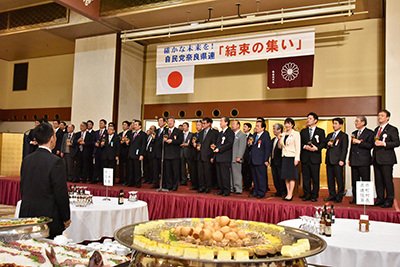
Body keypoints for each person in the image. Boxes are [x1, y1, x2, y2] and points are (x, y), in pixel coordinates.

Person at [20, 122, 71, 239]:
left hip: (27, 215)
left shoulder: (27, 159)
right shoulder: (56, 161)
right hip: (47, 218)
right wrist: (66, 217)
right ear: (52, 138)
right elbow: (60, 192)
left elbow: (23, 187)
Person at [372, 109, 400, 208]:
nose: (379, 117)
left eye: (382, 116)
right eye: (379, 115)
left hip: (387, 159)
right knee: (378, 180)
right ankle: (380, 199)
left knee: (387, 180)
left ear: (387, 118)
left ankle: (389, 200)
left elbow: (397, 143)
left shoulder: (392, 129)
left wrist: (384, 143)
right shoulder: (376, 130)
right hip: (376, 159)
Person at [300, 112, 326, 202]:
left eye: (310, 118)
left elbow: (323, 143)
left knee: (315, 177)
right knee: (306, 177)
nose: (308, 120)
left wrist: (317, 148)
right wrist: (304, 147)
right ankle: (306, 194)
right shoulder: (303, 131)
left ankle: (315, 194)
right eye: (307, 118)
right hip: (305, 157)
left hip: (315, 157)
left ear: (315, 120)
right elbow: (300, 143)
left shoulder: (320, 131)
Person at [348, 116, 374, 204]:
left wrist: (360, 142)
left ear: (363, 122)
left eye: (357, 121)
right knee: (354, 180)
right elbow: (351, 147)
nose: (355, 123)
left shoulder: (370, 133)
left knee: (365, 180)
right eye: (355, 121)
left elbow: (370, 145)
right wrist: (349, 158)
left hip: (364, 160)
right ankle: (355, 198)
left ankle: (365, 199)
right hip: (354, 160)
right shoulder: (354, 133)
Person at [324, 118, 349, 203]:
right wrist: (327, 144)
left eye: (336, 123)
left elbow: (344, 149)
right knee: (330, 179)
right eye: (333, 123)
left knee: (339, 179)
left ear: (341, 125)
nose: (334, 125)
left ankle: (339, 195)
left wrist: (342, 159)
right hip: (329, 160)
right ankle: (332, 194)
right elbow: (324, 145)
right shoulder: (330, 135)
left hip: (338, 160)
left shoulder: (343, 136)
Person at [278, 118, 301, 201]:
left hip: (292, 157)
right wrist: (279, 140)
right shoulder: (283, 134)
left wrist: (297, 158)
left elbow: (297, 147)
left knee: (291, 177)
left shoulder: (296, 134)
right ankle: (288, 193)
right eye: (286, 123)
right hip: (284, 156)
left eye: (289, 123)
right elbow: (280, 147)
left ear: (292, 125)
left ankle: (290, 194)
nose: (287, 125)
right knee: (286, 177)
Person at [249, 120, 272, 199]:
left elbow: (267, 148)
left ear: (263, 128)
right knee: (254, 177)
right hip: (253, 159)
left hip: (261, 159)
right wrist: (250, 144)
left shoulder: (266, 135)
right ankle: (255, 191)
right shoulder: (254, 135)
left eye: (258, 126)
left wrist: (266, 159)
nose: (256, 127)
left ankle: (262, 192)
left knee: (261, 177)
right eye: (256, 125)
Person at [196, 117, 219, 193]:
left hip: (208, 155)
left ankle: (208, 187)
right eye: (202, 123)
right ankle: (201, 186)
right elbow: (198, 142)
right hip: (200, 155)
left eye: (204, 123)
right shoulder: (201, 133)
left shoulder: (214, 133)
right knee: (200, 173)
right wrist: (197, 146)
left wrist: (213, 156)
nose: (203, 125)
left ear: (209, 124)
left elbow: (214, 144)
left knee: (208, 173)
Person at [213, 117, 234, 196]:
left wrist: (219, 149)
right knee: (219, 175)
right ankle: (221, 189)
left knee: (225, 175)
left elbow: (229, 144)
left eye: (221, 121)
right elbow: (218, 143)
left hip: (225, 157)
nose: (220, 123)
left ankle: (226, 190)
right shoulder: (221, 133)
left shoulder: (230, 132)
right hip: (218, 157)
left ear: (226, 123)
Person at [163, 116, 184, 191]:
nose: (169, 122)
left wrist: (172, 141)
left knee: (175, 171)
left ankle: (175, 186)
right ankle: (169, 185)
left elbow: (180, 141)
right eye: (168, 121)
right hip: (166, 154)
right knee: (167, 172)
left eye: (171, 121)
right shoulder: (165, 130)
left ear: (174, 122)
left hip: (175, 155)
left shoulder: (178, 131)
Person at [126, 120, 147, 188]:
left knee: (137, 169)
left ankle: (138, 183)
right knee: (131, 169)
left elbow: (143, 145)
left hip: (138, 154)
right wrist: (127, 143)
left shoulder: (143, 134)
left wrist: (142, 154)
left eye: (136, 125)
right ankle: (131, 182)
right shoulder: (132, 134)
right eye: (134, 125)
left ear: (140, 126)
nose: (134, 126)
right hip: (131, 153)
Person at [230, 119, 246, 194]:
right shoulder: (231, 134)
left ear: (238, 125)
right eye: (232, 124)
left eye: (234, 124)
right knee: (231, 174)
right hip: (230, 157)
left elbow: (242, 147)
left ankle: (238, 188)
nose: (232, 125)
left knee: (237, 174)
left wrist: (239, 156)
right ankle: (232, 187)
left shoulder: (241, 135)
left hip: (236, 157)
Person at [271, 123, 286, 197]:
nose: (273, 130)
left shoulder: (283, 138)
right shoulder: (274, 139)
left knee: (281, 177)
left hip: (280, 161)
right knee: (275, 177)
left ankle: (283, 191)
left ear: (279, 129)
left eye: (274, 129)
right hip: (273, 161)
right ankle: (278, 190)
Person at [151, 117, 167, 189]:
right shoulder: (156, 131)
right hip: (155, 152)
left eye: (161, 121)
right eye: (158, 121)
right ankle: (156, 183)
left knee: (163, 169)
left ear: (164, 122)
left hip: (162, 153)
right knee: (155, 169)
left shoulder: (166, 130)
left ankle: (163, 184)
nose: (159, 122)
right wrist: (153, 139)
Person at [92, 119, 108, 184]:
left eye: (102, 123)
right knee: (96, 165)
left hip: (103, 151)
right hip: (97, 151)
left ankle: (102, 179)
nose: (100, 124)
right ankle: (95, 178)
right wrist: (95, 143)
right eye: (99, 123)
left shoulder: (106, 132)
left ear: (105, 124)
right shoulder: (96, 132)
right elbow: (93, 141)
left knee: (103, 165)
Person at [180, 122, 195, 186]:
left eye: (185, 126)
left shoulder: (192, 134)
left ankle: (192, 180)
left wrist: (186, 144)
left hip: (189, 153)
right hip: (181, 153)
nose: (184, 127)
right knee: (182, 168)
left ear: (188, 127)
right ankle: (184, 180)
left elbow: (192, 143)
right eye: (183, 126)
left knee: (190, 167)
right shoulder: (180, 134)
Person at [190, 120, 203, 190]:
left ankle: (200, 185)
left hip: (200, 155)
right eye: (196, 125)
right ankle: (194, 185)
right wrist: (192, 143)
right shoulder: (194, 134)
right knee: (193, 171)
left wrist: (197, 143)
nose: (197, 126)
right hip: (193, 155)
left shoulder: (203, 134)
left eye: (199, 125)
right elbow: (189, 145)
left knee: (199, 172)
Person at [118, 121, 131, 185]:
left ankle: (127, 179)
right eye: (123, 125)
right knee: (121, 166)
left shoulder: (129, 133)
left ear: (128, 126)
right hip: (121, 152)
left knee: (127, 167)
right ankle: (121, 179)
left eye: (125, 125)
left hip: (127, 152)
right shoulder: (120, 134)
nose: (123, 126)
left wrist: (126, 142)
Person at [242, 123, 253, 191]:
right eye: (243, 127)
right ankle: (244, 184)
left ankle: (248, 185)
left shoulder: (251, 136)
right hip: (242, 156)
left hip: (248, 156)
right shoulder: (242, 136)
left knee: (249, 172)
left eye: (245, 127)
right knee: (243, 171)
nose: (244, 128)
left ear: (249, 128)